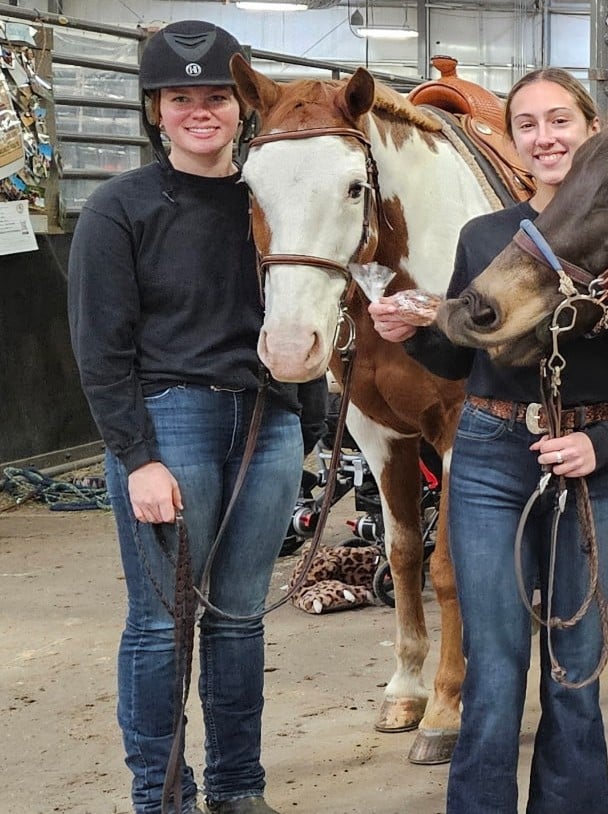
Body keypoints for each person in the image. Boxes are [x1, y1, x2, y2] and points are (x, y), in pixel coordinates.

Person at [366, 68, 608, 813]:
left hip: (586, 462)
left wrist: (602, 449)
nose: (545, 138)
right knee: (495, 673)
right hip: (488, 460)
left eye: (560, 121)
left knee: (575, 672)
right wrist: (416, 333)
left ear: (592, 127)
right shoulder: (485, 237)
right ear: (512, 142)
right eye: (529, 125)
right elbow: (458, 362)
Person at [68, 20, 321, 814]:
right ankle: (162, 795)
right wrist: (135, 457)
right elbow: (100, 346)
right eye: (181, 98)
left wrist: (304, 422)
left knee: (240, 620)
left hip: (266, 423)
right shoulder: (121, 208)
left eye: (216, 96)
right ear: (157, 111)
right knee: (161, 625)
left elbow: (307, 306)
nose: (200, 110)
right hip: (169, 418)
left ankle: (238, 789)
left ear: (242, 109)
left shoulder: (270, 199)